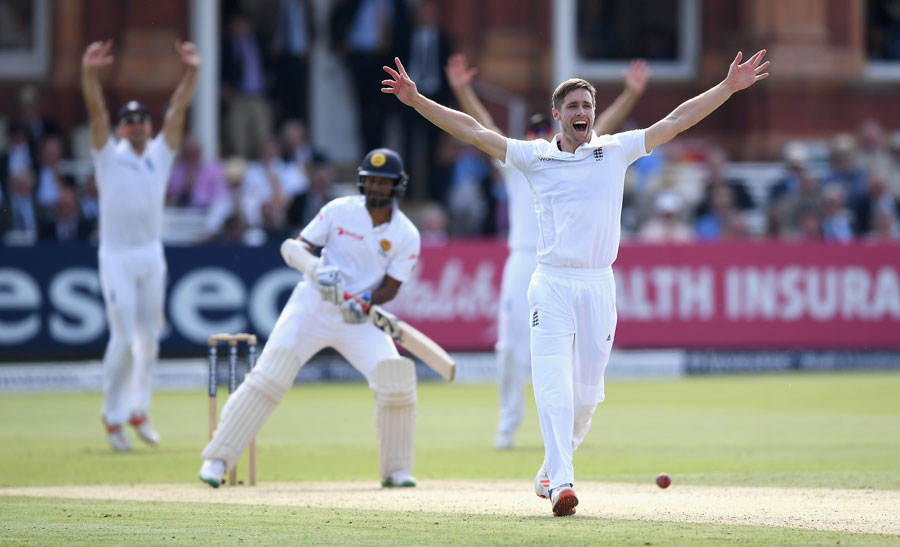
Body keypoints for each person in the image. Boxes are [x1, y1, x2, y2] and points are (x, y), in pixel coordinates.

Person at [383, 49, 769, 516]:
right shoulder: (535, 157)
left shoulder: (614, 151)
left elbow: (676, 120)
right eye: (573, 107)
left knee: (586, 397)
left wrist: (727, 88)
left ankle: (551, 466)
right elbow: (473, 129)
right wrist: (418, 99)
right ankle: (562, 483)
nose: (582, 113)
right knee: (552, 384)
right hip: (550, 282)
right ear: (557, 116)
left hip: (597, 285)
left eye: (587, 105)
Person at [443, 53, 648, 451]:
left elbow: (598, 130)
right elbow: (480, 127)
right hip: (525, 259)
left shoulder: (585, 155)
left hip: (570, 268)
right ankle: (507, 425)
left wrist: (629, 94)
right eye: (535, 131)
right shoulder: (525, 162)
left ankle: (559, 441)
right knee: (507, 346)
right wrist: (463, 90)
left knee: (570, 361)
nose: (540, 136)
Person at [198, 148, 422, 489]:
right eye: (372, 181)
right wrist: (318, 271)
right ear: (363, 182)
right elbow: (292, 248)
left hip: (357, 317)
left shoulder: (407, 234)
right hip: (312, 305)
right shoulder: (338, 210)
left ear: (397, 187)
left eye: (384, 182)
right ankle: (217, 460)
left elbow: (391, 288)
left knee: (395, 379)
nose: (377, 188)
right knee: (270, 376)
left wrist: (365, 299)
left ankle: (397, 470)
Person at [81, 39, 200, 452]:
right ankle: (112, 416)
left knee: (149, 338)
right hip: (116, 257)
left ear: (147, 127)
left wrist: (193, 71)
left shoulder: (160, 155)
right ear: (119, 129)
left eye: (140, 121)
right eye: (128, 121)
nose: (134, 126)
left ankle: (139, 409)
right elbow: (96, 111)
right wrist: (89, 72)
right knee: (122, 339)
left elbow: (178, 110)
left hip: (151, 254)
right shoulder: (108, 157)